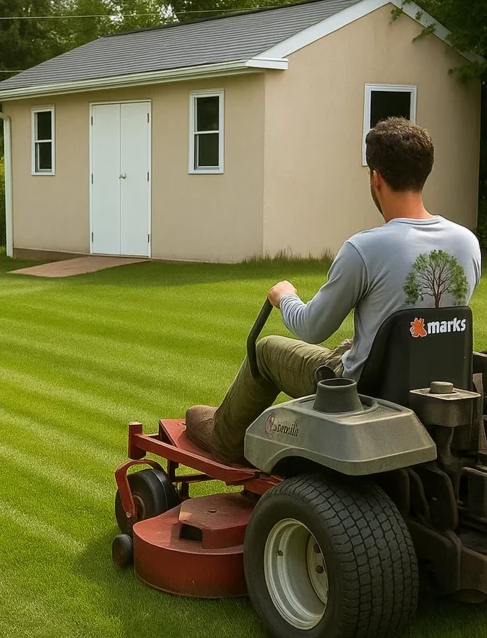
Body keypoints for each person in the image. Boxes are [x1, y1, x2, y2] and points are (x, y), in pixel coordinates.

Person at [186, 117, 482, 465]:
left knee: (266, 349)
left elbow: (312, 328)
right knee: (347, 345)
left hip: (361, 393)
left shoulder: (365, 249)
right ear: (425, 172)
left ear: (375, 177)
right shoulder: (467, 243)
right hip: (433, 386)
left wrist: (285, 297)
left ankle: (224, 437)